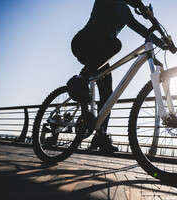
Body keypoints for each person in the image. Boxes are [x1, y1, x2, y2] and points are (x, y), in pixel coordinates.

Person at [67, 0, 164, 153]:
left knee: (107, 96)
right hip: (84, 42)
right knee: (115, 44)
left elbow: (144, 31)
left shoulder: (126, 13)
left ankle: (101, 137)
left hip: (101, 54)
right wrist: (139, 6)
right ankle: (80, 79)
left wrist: (164, 43)